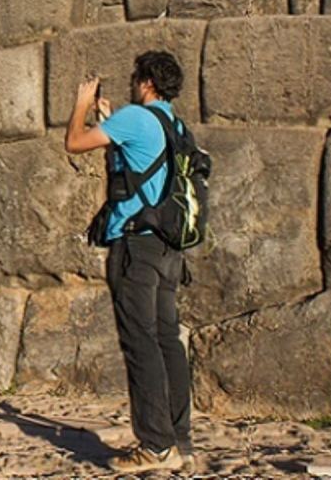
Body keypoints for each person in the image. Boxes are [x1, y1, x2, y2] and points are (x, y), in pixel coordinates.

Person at [64, 51, 193, 474]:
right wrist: (111, 118)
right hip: (167, 247)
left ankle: (155, 446)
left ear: (147, 83)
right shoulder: (174, 124)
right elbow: (139, 168)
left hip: (135, 246)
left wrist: (82, 104)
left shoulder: (137, 118)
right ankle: (179, 440)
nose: (133, 84)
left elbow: (75, 143)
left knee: (140, 344)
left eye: (136, 77)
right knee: (167, 340)